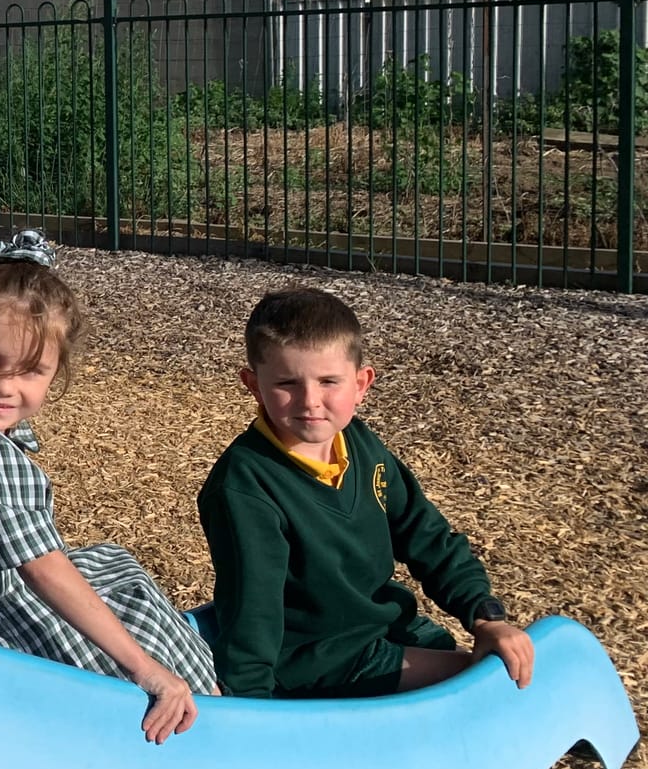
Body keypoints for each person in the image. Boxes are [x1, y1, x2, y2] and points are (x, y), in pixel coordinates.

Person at [0, 233, 216, 743]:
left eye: (31, 370)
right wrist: (143, 669)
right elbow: (39, 567)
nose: (6, 385)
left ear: (55, 371)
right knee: (136, 618)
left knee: (115, 570)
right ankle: (204, 711)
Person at [199, 287, 536, 700]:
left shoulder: (358, 443)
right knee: (489, 686)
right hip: (319, 655)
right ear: (253, 385)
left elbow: (423, 532)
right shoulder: (246, 486)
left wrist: (484, 614)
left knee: (503, 661)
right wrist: (252, 711)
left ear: (361, 384)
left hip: (383, 624)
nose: (311, 402)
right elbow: (253, 608)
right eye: (287, 382)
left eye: (329, 382)